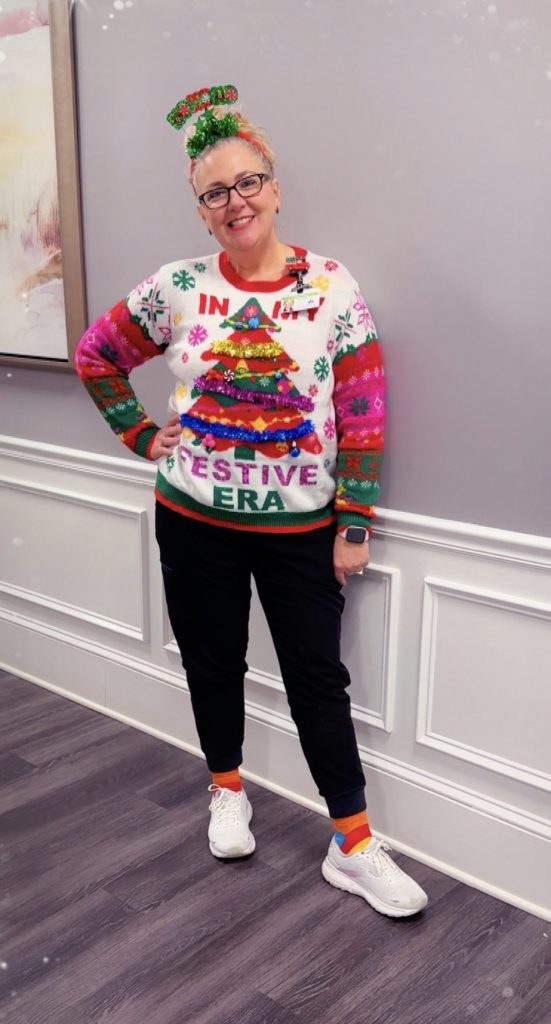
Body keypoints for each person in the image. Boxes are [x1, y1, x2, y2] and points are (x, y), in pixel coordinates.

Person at [75, 84, 428, 918]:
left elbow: (363, 407)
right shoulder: (177, 286)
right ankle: (226, 789)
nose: (234, 202)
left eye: (247, 183)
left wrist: (354, 521)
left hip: (301, 528)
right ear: (200, 212)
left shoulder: (330, 286)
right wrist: (140, 434)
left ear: (273, 188)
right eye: (214, 192)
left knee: (317, 678)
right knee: (211, 661)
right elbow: (96, 355)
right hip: (192, 517)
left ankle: (352, 843)